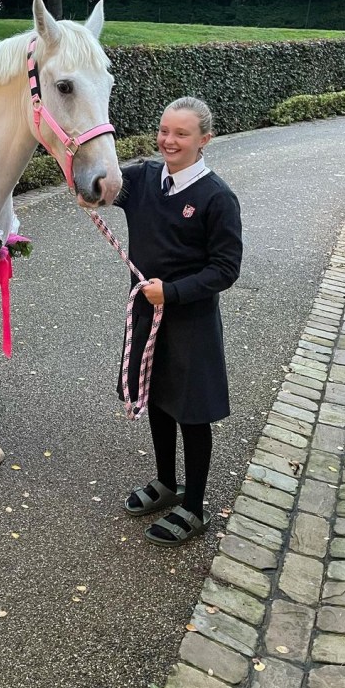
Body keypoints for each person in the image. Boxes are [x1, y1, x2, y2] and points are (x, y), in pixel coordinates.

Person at [115, 96, 243, 546]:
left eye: (181, 133)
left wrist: (171, 292)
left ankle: (194, 507)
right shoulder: (144, 179)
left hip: (191, 323)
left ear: (204, 140)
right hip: (147, 314)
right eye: (165, 130)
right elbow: (102, 183)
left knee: (191, 413)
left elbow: (226, 268)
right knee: (156, 399)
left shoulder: (217, 197)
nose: (168, 140)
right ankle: (167, 483)